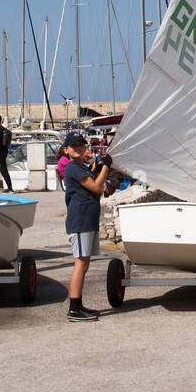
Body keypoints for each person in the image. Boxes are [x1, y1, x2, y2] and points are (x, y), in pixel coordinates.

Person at [61, 134, 113, 322]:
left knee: (85, 265)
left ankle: (79, 305)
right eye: (74, 146)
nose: (79, 148)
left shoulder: (81, 167)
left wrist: (99, 169)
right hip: (80, 221)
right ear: (66, 150)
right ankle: (74, 309)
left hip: (87, 220)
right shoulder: (73, 168)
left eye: (81, 145)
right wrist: (106, 165)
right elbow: (97, 188)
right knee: (80, 265)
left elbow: (101, 187)